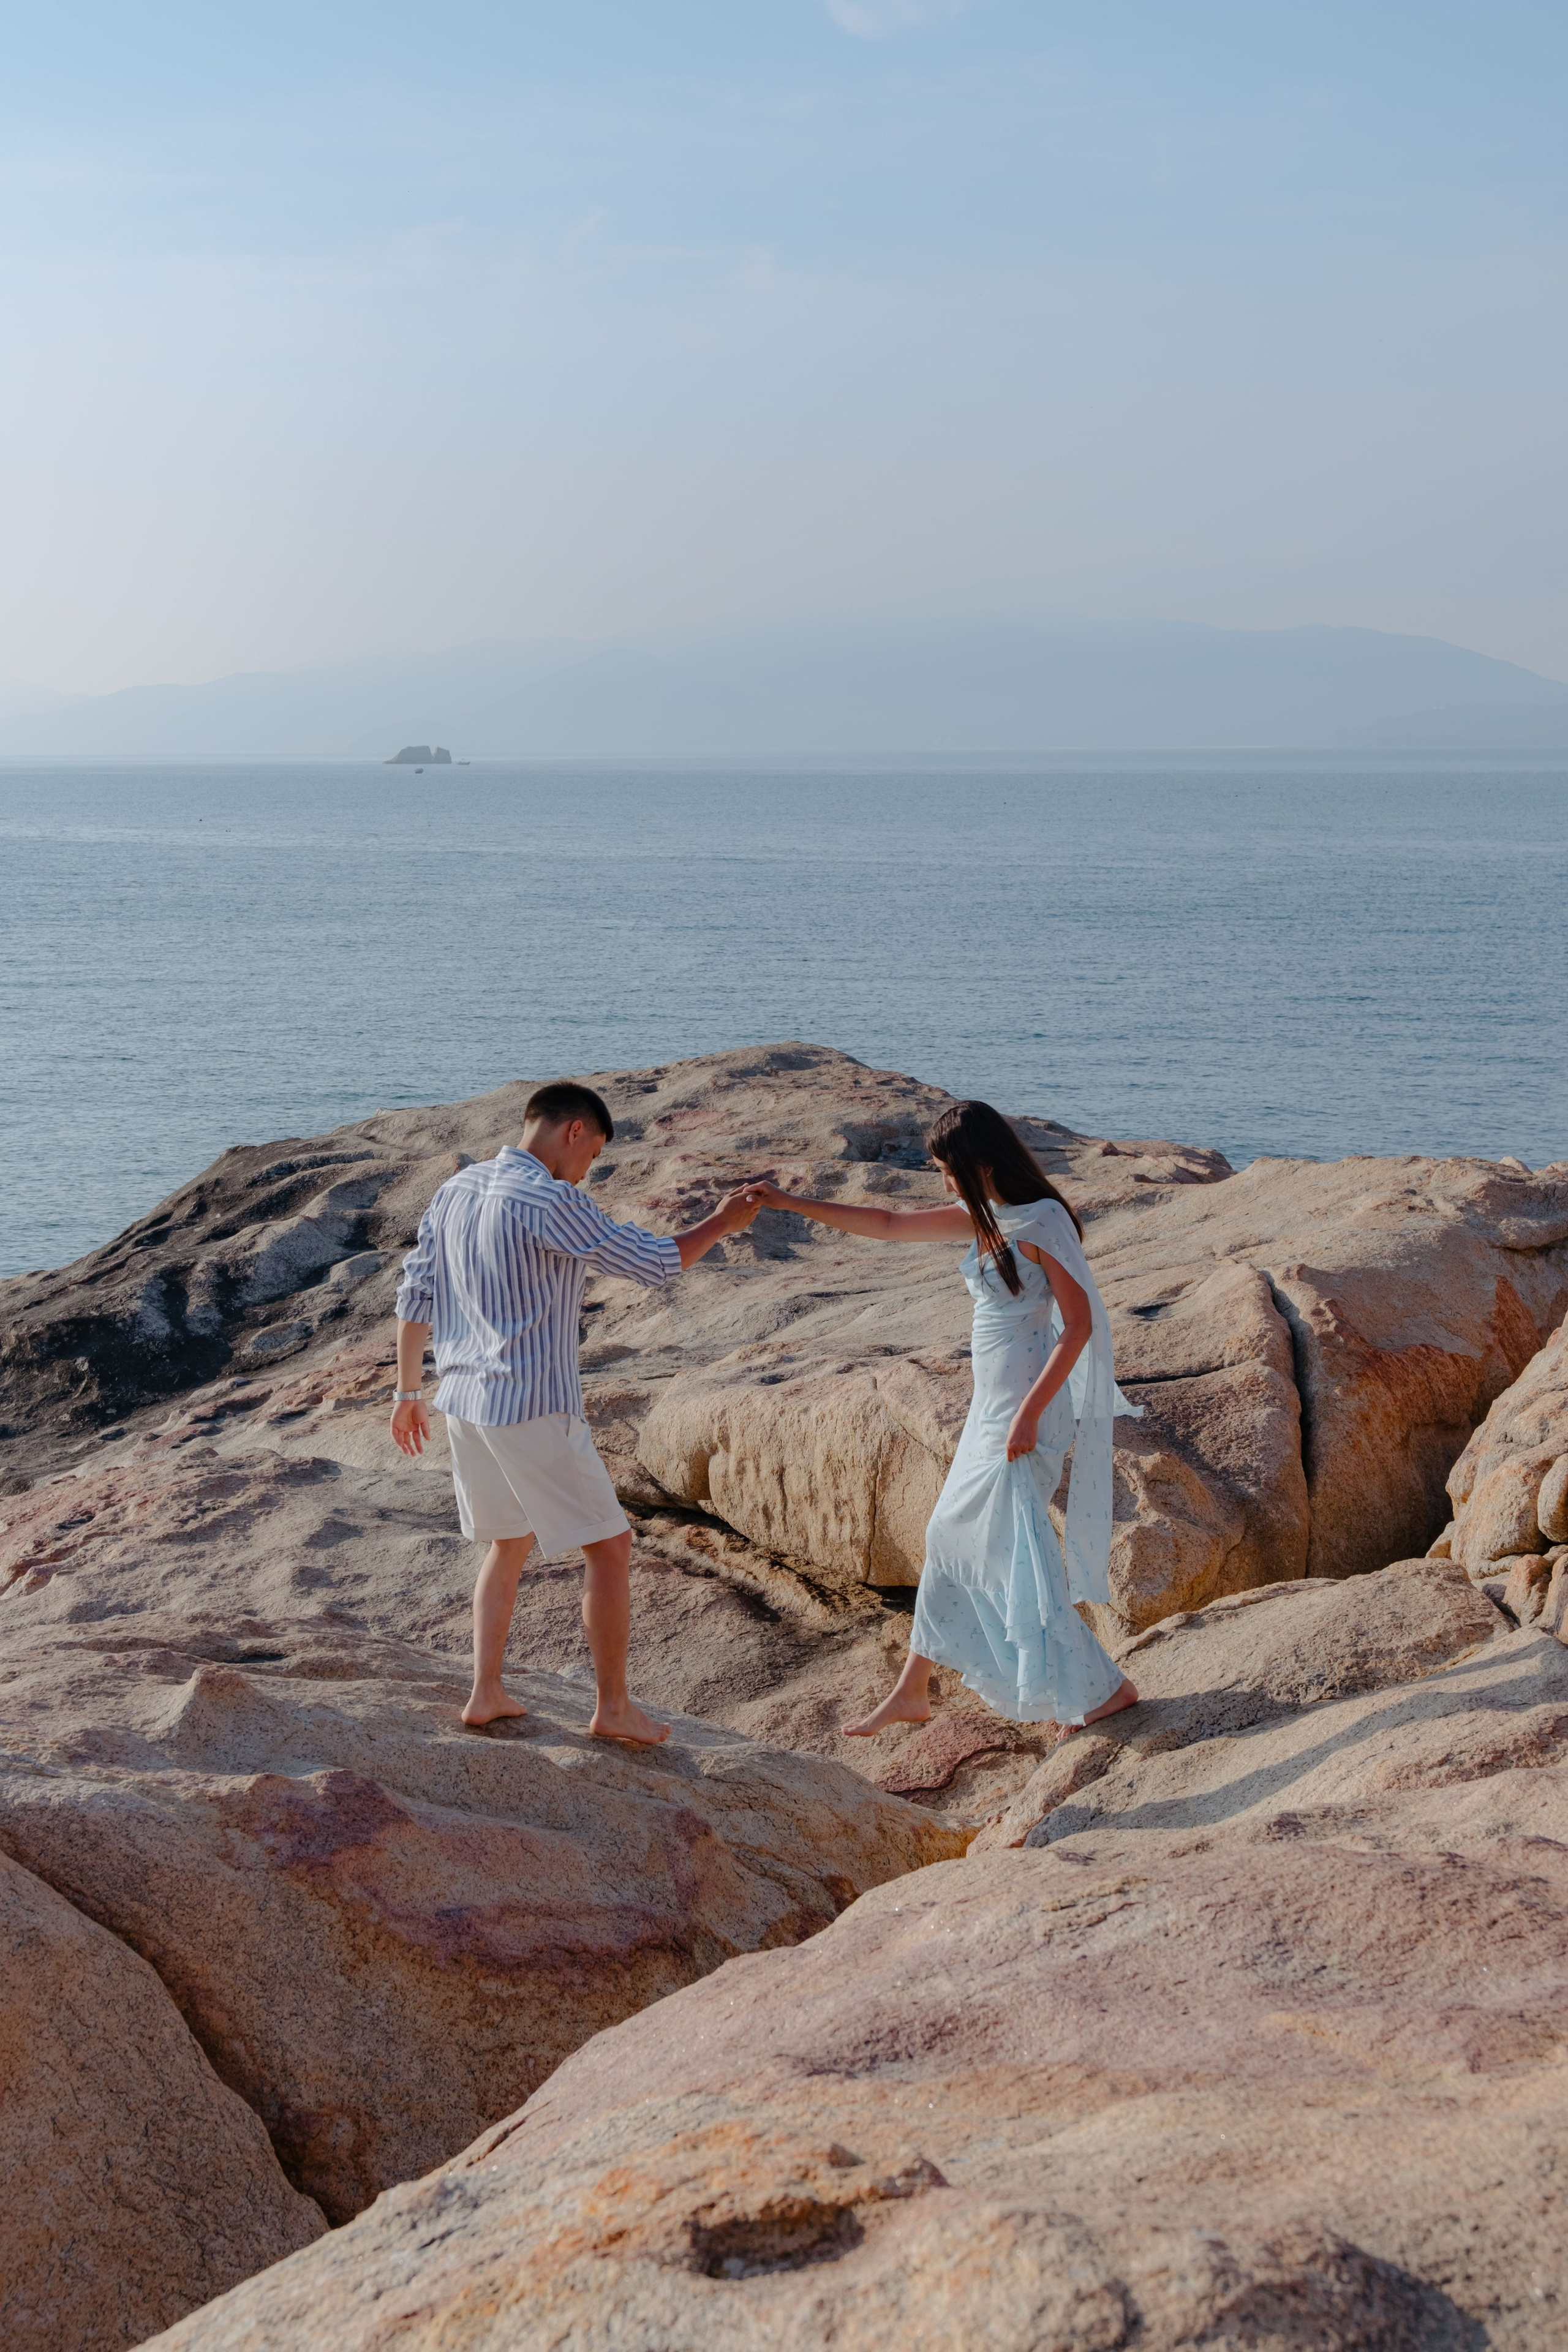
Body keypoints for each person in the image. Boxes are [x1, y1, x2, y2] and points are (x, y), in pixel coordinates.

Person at [747, 1099, 1139, 1739]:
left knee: (1013, 1553)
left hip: (1024, 1408)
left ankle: (1103, 1691)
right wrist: (791, 1204)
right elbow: (887, 1223)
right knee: (948, 1539)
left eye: (946, 1170)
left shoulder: (1039, 1222)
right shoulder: (982, 1218)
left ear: (981, 1164)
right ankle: (913, 1688)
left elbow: (1079, 1327)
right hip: (992, 1409)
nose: (943, 1182)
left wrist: (1029, 1416)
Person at [391, 1079, 760, 1742]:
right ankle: (613, 1709)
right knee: (610, 1546)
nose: (589, 1170)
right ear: (574, 1133)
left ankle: (485, 1693)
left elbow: (417, 1292)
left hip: (465, 1402)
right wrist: (723, 1224)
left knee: (509, 1542)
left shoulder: (457, 1189)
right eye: (594, 1156)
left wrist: (406, 1394)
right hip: (530, 1402)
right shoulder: (548, 1198)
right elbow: (652, 1263)